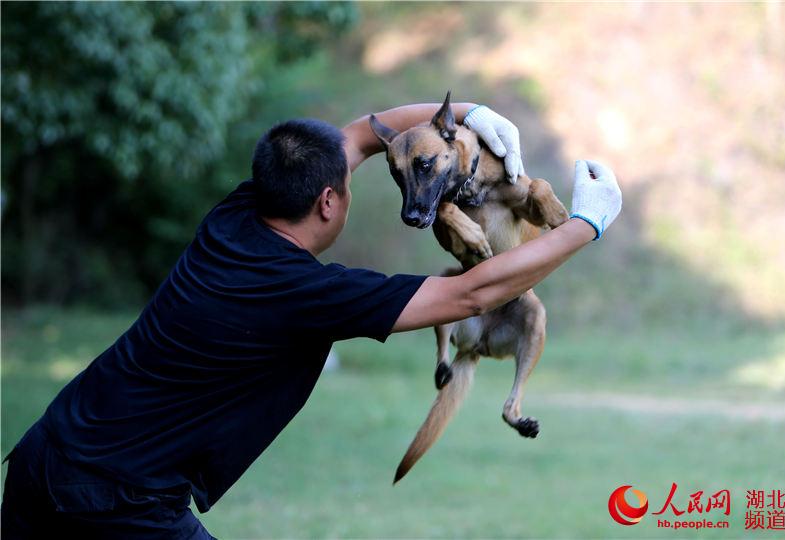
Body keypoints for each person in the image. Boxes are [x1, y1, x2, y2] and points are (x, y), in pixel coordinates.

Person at [0, 101, 622, 539]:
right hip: (116, 502)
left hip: (44, 455)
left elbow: (352, 137)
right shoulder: (305, 292)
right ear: (329, 200)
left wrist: (467, 117)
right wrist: (583, 225)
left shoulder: (237, 214)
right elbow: (468, 296)